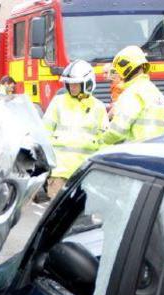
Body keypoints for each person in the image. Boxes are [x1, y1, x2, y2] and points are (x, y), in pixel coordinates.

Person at [39, 60, 107, 203]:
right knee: (58, 216)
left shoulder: (98, 107)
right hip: (60, 171)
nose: (72, 87)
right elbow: (44, 133)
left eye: (76, 83)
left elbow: (104, 140)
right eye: (70, 84)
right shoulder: (58, 102)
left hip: (85, 172)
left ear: (87, 83)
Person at [95, 45, 164, 146]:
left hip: (136, 154)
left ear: (124, 68)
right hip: (155, 154)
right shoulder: (156, 93)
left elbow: (116, 132)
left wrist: (98, 141)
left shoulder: (132, 93)